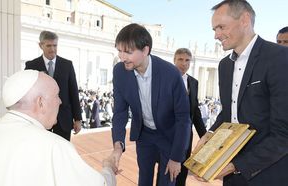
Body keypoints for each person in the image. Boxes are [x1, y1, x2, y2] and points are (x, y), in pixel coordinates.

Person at [194, 0, 288, 186]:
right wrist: (210, 134)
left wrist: (235, 165)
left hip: (268, 172)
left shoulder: (280, 58)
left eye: (221, 27)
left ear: (245, 19)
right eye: (214, 29)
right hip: (231, 173)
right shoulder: (225, 65)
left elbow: (284, 134)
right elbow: (230, 112)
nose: (216, 35)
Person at [0, 70, 116, 186]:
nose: (60, 101)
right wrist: (108, 168)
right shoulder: (54, 145)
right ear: (41, 102)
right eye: (56, 95)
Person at [110, 23, 191, 186]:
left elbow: (183, 118)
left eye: (128, 52)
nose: (122, 57)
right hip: (144, 136)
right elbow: (120, 112)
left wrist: (176, 157)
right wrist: (117, 146)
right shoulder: (119, 71)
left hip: (169, 136)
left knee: (166, 182)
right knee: (144, 180)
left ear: (145, 50)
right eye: (119, 50)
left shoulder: (170, 73)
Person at [25, 30, 82, 141]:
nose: (52, 49)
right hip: (40, 120)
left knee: (61, 153)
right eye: (48, 45)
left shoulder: (67, 65)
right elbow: (28, 95)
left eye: (55, 45)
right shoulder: (31, 65)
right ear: (41, 45)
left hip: (63, 120)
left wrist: (78, 119)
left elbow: (73, 92)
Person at [172, 48, 207, 186]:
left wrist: (204, 136)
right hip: (169, 135)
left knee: (182, 172)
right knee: (166, 173)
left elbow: (195, 112)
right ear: (174, 60)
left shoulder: (194, 82)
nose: (184, 63)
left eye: (187, 60)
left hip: (186, 136)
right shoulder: (166, 80)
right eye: (180, 59)